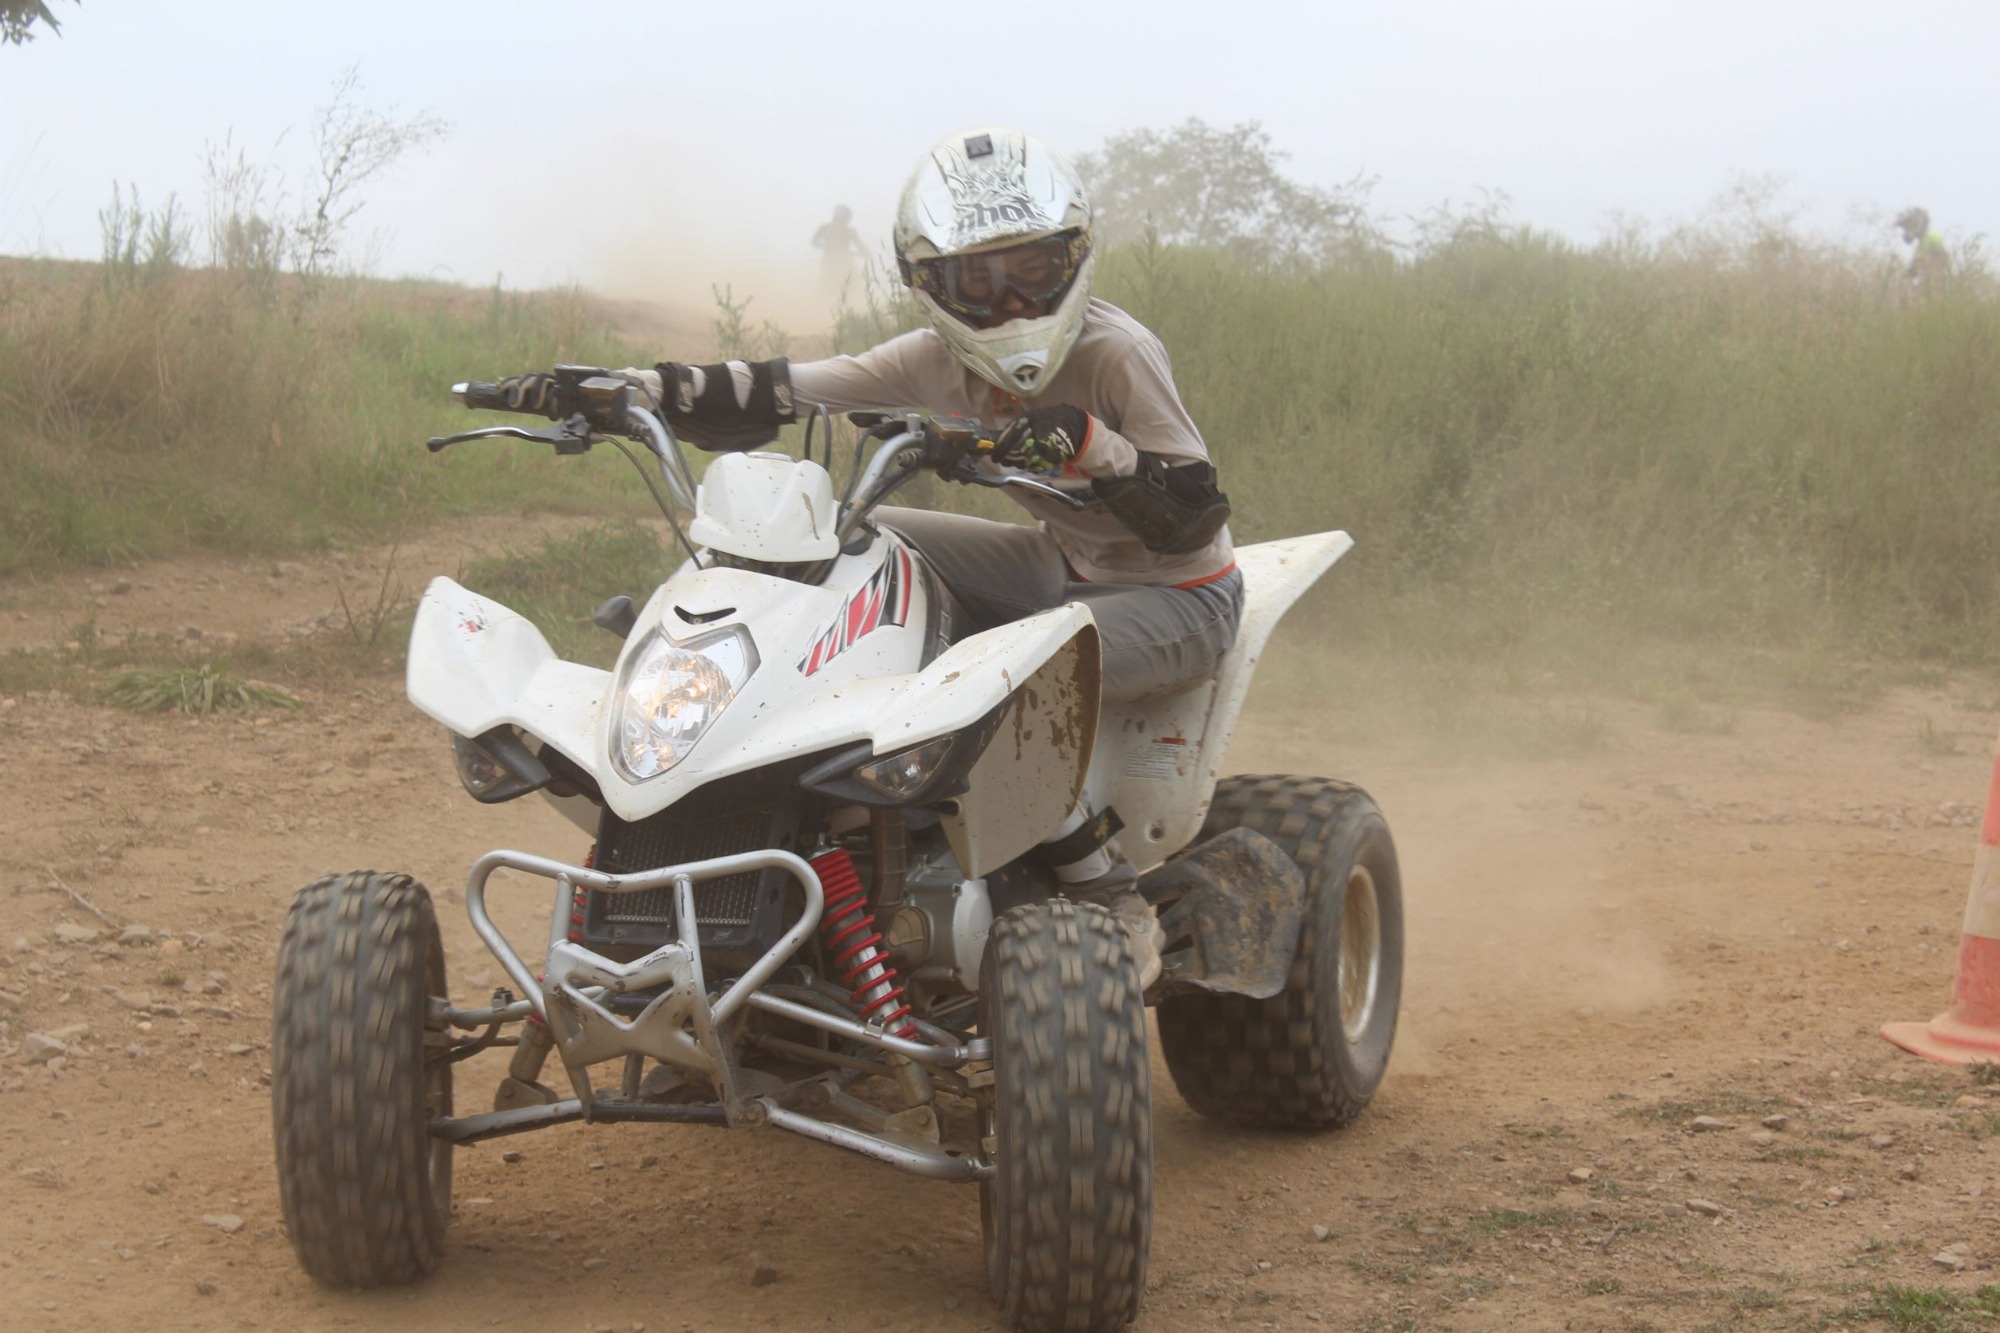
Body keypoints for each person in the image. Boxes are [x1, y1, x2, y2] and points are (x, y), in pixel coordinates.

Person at [500, 128, 1237, 986]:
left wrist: (1089, 444)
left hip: (1181, 597)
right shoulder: (929, 360)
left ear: (1072, 258)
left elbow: (1192, 518)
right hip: (1061, 566)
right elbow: (780, 388)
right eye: (977, 280)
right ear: (931, 285)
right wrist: (632, 388)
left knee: (1003, 679)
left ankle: (1111, 893)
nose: (1008, 302)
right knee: (858, 536)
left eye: (1031, 270)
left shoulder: (1116, 353)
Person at [811, 204, 867, 303]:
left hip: (830, 263)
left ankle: (817, 305)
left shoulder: (825, 228)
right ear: (847, 218)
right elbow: (861, 248)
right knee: (854, 284)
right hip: (842, 264)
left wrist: (826, 247)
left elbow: (814, 242)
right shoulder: (849, 231)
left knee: (825, 286)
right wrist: (860, 253)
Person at [1895, 207, 1951, 292]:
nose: (1906, 231)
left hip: (1935, 285)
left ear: (1918, 224)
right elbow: (1914, 270)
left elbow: (1941, 262)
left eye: (1909, 227)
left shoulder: (1934, 238)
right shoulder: (1920, 245)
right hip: (1927, 285)